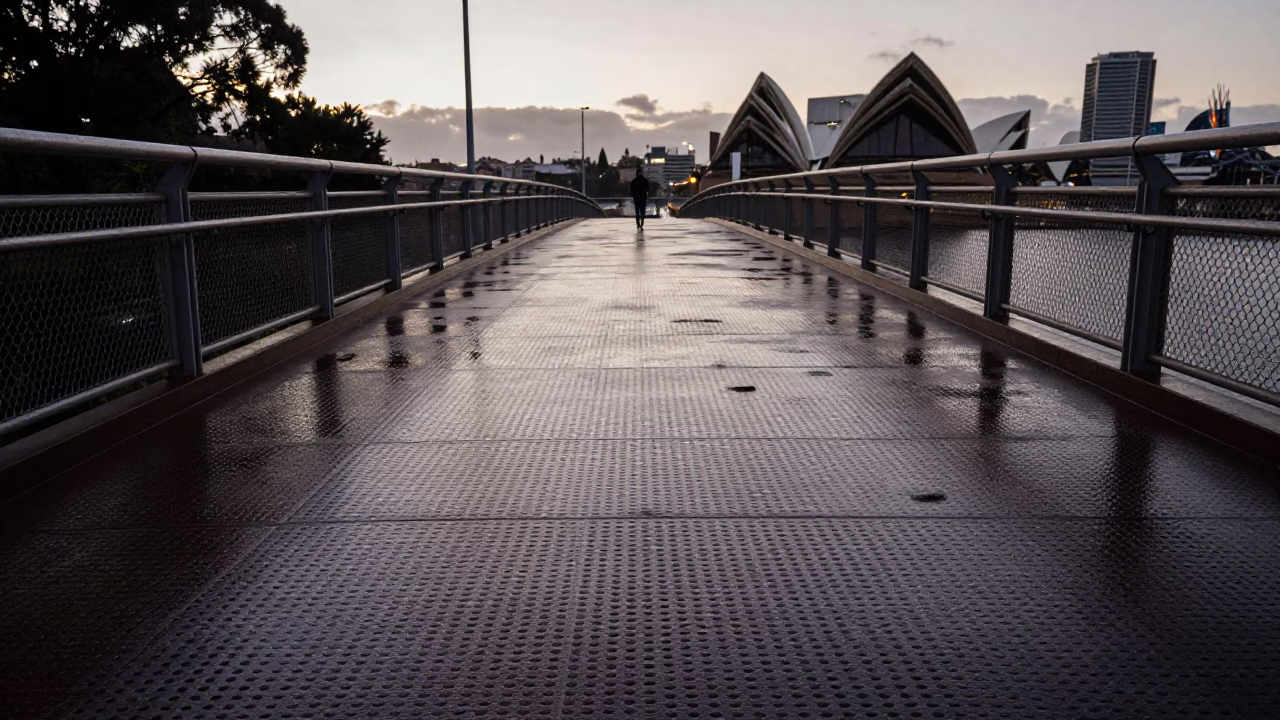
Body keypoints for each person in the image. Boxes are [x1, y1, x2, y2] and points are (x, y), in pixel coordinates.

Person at [629, 166, 650, 230]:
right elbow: (647, 189)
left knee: (639, 211)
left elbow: (631, 190)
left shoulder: (634, 181)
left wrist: (633, 195)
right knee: (640, 211)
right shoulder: (644, 180)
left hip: (638, 198)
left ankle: (639, 223)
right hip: (641, 198)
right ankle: (639, 223)